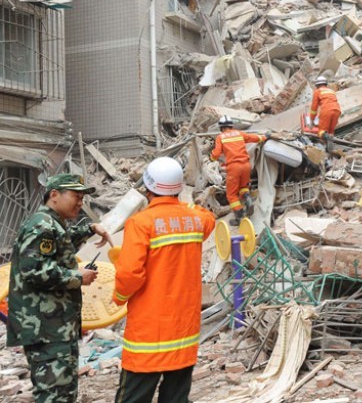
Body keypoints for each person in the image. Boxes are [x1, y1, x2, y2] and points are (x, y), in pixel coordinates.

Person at [112, 156, 216, 403]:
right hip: (184, 332)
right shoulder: (196, 220)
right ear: (178, 188)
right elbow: (208, 218)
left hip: (149, 336)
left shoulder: (140, 223)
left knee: (133, 397)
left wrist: (118, 297)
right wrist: (187, 206)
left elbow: (129, 274)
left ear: (147, 188)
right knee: (176, 398)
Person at [7, 173, 112, 403]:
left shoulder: (52, 224)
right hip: (44, 328)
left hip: (54, 326)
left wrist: (91, 228)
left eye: (83, 198)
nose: (80, 202)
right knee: (54, 394)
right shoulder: (42, 225)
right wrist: (77, 277)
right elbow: (33, 269)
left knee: (63, 391)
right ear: (54, 195)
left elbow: (61, 245)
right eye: (76, 196)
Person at [210, 116, 266, 225]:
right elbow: (254, 138)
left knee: (231, 195)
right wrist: (266, 136)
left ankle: (239, 218)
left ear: (221, 127)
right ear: (231, 125)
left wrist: (211, 158)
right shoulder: (239, 133)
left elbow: (216, 154)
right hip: (246, 165)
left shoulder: (220, 137)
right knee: (243, 187)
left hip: (234, 167)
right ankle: (248, 198)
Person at [310, 75, 342, 141]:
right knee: (331, 131)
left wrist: (312, 119)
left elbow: (314, 108)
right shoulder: (331, 91)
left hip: (327, 111)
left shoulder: (317, 91)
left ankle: (325, 138)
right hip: (337, 110)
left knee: (321, 131)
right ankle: (329, 146)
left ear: (317, 85)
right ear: (325, 84)